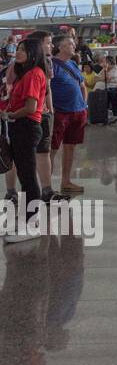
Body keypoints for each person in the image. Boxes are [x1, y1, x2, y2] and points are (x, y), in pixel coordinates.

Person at [1, 39, 48, 243]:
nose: (18, 53)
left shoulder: (33, 74)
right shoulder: (25, 74)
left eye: (23, 50)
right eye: (18, 49)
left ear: (33, 53)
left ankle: (33, 223)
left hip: (26, 126)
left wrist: (8, 115)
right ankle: (28, 218)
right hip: (21, 126)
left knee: (28, 176)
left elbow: (30, 107)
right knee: (24, 174)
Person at [47, 34, 89, 199]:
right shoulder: (52, 65)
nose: (74, 46)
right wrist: (51, 109)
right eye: (70, 44)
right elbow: (46, 88)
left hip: (78, 111)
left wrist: (83, 105)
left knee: (71, 146)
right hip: (60, 112)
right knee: (53, 148)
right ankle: (46, 185)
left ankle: (66, 181)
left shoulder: (72, 63)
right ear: (60, 47)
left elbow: (82, 85)